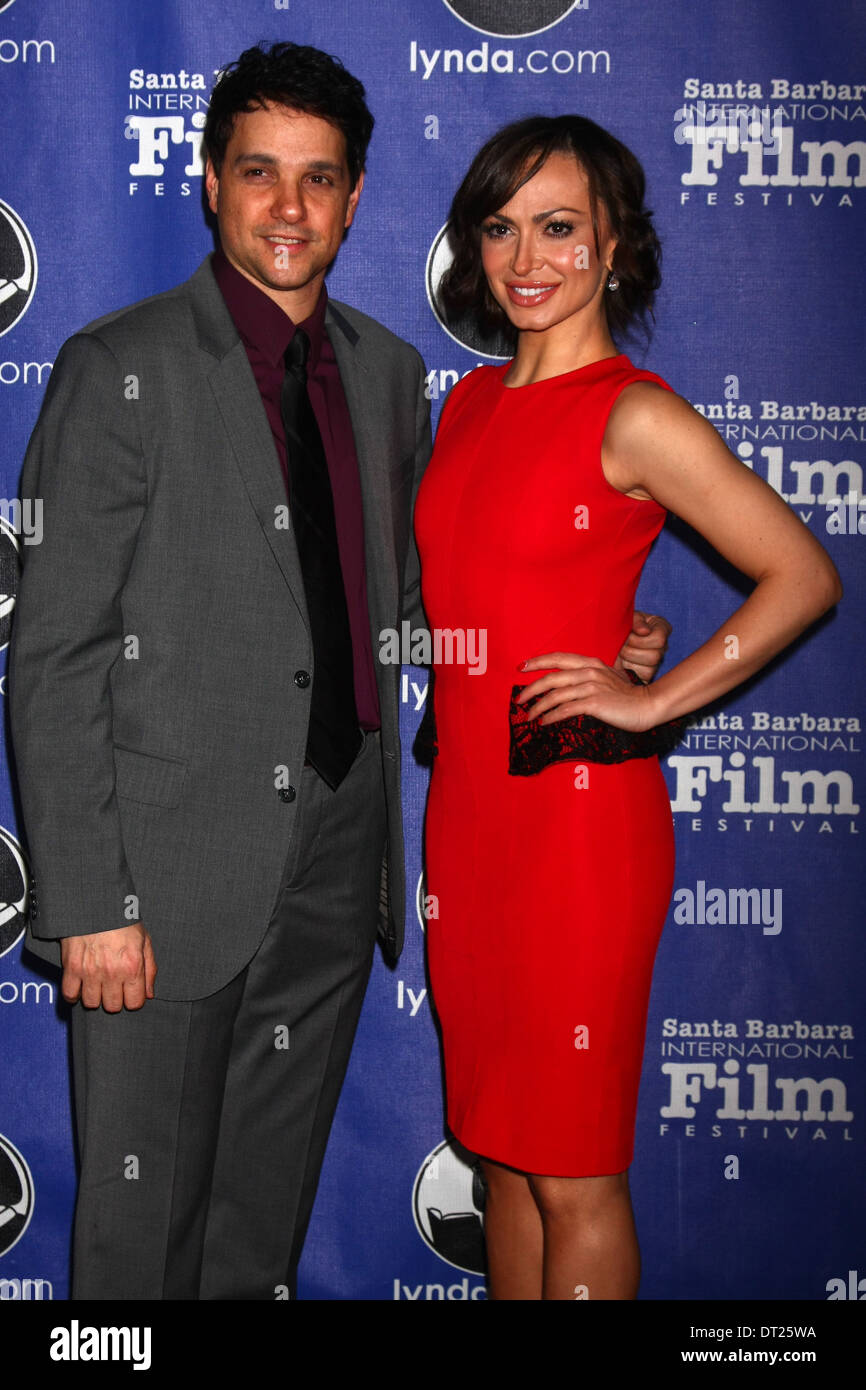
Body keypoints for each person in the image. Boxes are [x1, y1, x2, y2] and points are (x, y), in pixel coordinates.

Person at [8, 43, 668, 1300]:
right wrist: (88, 899)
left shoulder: (388, 375)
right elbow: (51, 656)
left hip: (333, 870)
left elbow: (411, 617)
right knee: (136, 1248)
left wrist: (589, 638)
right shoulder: (118, 368)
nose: (289, 208)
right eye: (260, 173)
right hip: (159, 882)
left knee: (257, 1231)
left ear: (356, 198)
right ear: (209, 184)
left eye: (318, 179)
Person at [414, 114, 842, 1302]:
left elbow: (801, 574)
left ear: (615, 249)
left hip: (576, 826)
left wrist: (651, 700)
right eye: (498, 228)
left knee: (573, 1174)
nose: (525, 257)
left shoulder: (634, 413)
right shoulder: (466, 408)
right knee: (500, 1156)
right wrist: (620, 633)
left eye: (558, 227)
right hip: (466, 824)